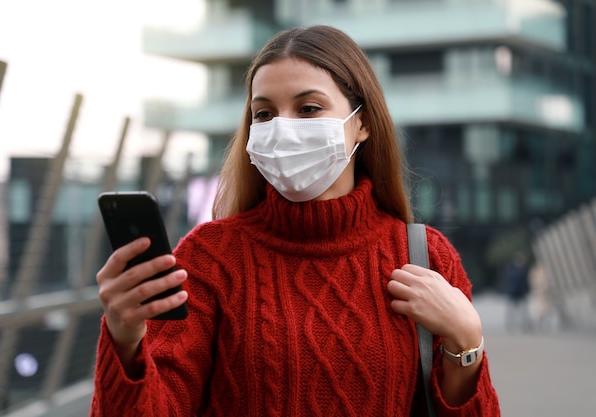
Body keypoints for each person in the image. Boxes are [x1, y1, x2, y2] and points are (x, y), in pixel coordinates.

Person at [91, 25, 500, 416]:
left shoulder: (425, 256)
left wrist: (466, 337)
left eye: (308, 108)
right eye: (264, 114)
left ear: (362, 122)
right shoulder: (209, 259)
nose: (283, 128)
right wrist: (126, 340)